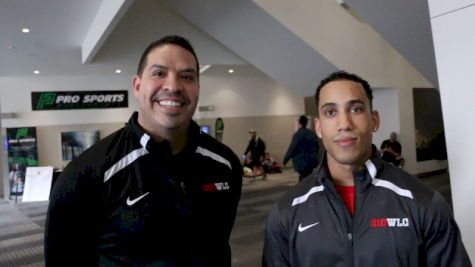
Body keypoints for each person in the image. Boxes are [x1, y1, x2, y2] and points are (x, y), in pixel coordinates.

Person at [45, 35, 243, 266]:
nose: (173, 86)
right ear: (137, 87)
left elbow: (218, 246)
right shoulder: (86, 174)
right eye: (159, 74)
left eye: (186, 77)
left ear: (197, 88)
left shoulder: (225, 164)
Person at [263, 71, 471, 266]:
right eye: (330, 112)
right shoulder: (286, 212)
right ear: (318, 127)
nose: (344, 123)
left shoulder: (424, 203)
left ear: (374, 121)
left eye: (356, 109)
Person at [283, 115, 319, 181]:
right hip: (311, 161)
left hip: (300, 162)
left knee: (304, 179)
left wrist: (285, 160)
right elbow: (316, 147)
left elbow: (292, 148)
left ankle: (303, 189)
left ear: (299, 123)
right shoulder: (312, 134)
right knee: (307, 177)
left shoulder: (297, 135)